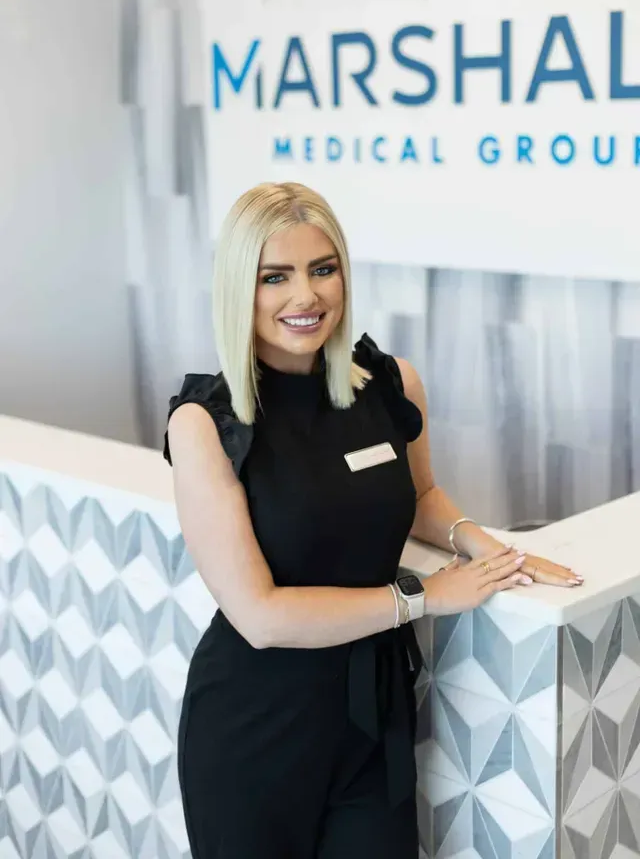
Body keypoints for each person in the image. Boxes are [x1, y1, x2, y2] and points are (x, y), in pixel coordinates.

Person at [163, 181, 582, 859]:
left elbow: (421, 495)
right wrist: (423, 596)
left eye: (322, 269)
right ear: (241, 287)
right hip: (253, 731)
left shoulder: (389, 383)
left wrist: (491, 551)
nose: (306, 296)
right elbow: (259, 615)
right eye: (276, 277)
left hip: (373, 719)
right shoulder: (206, 423)